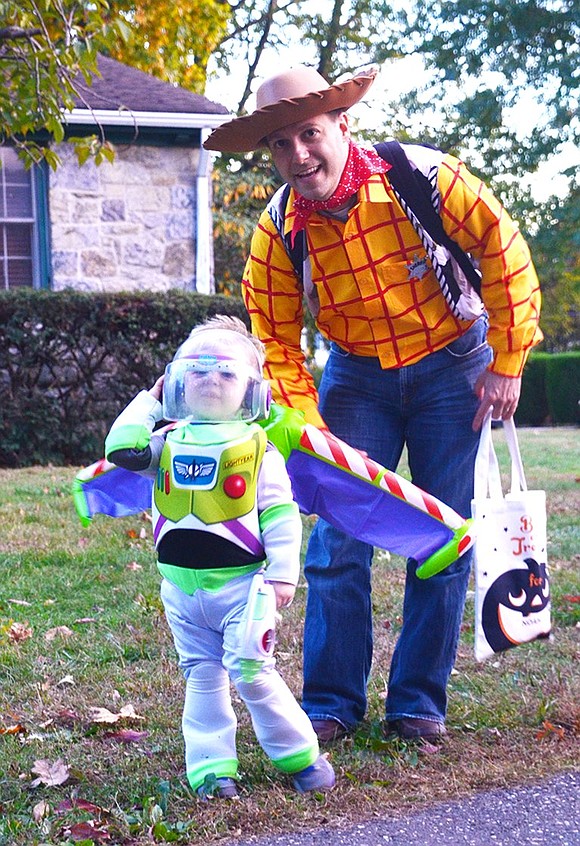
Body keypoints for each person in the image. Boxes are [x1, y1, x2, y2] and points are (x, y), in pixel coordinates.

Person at [204, 66, 543, 744]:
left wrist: (506, 361)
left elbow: (503, 249)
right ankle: (330, 705)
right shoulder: (277, 232)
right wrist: (302, 426)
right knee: (336, 542)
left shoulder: (423, 178)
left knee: (444, 539)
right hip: (357, 381)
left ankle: (417, 704)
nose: (298, 155)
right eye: (279, 143)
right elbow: (271, 335)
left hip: (455, 368)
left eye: (309, 134)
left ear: (341, 127)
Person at [104, 315, 335, 797]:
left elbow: (280, 514)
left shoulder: (259, 450)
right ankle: (212, 771)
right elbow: (122, 448)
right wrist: (150, 399)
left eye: (227, 373)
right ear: (176, 383)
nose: (211, 378)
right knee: (202, 678)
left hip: (243, 590)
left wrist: (284, 574)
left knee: (252, 672)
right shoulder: (166, 443)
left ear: (253, 391)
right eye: (197, 370)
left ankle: (301, 757)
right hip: (182, 592)